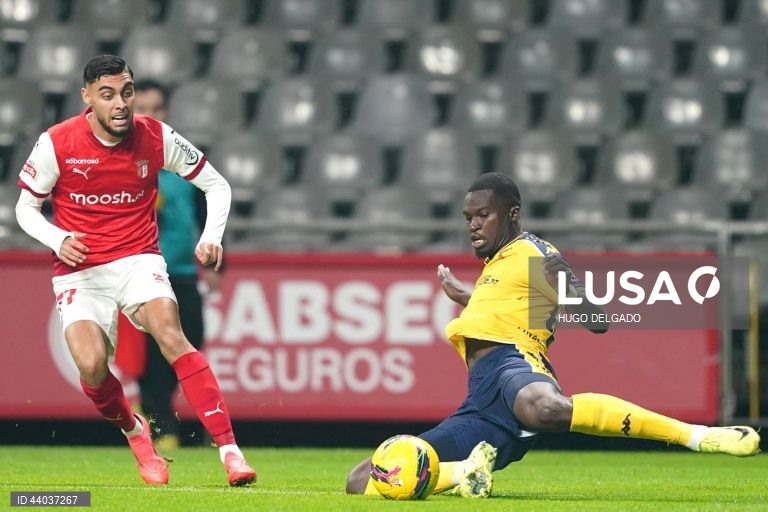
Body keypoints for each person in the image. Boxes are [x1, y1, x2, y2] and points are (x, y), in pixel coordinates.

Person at [346, 172, 761, 498]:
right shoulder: (498, 262)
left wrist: (569, 289)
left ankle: (701, 436)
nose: (473, 225)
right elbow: (511, 304)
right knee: (365, 477)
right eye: (468, 217)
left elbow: (597, 319)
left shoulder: (536, 253)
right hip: (481, 404)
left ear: (512, 213)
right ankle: (464, 472)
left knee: (543, 409)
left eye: (483, 215)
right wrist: (467, 296)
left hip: (515, 368)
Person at [14, 55, 256, 487]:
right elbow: (25, 207)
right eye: (108, 95)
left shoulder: (156, 136)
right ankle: (137, 435)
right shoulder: (57, 142)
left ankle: (231, 453)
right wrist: (57, 239)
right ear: (87, 98)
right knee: (90, 366)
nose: (121, 103)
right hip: (81, 269)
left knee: (170, 333)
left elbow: (217, 185)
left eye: (126, 92)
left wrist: (212, 236)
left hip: (138, 258)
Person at [130, 79, 220, 449]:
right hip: (147, 273)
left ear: (168, 113)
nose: (151, 116)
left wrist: (216, 264)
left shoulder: (183, 160)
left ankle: (155, 410)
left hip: (184, 271)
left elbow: (206, 211)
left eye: (158, 109)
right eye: (144, 109)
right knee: (155, 353)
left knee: (191, 342)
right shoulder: (126, 161)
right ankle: (160, 424)